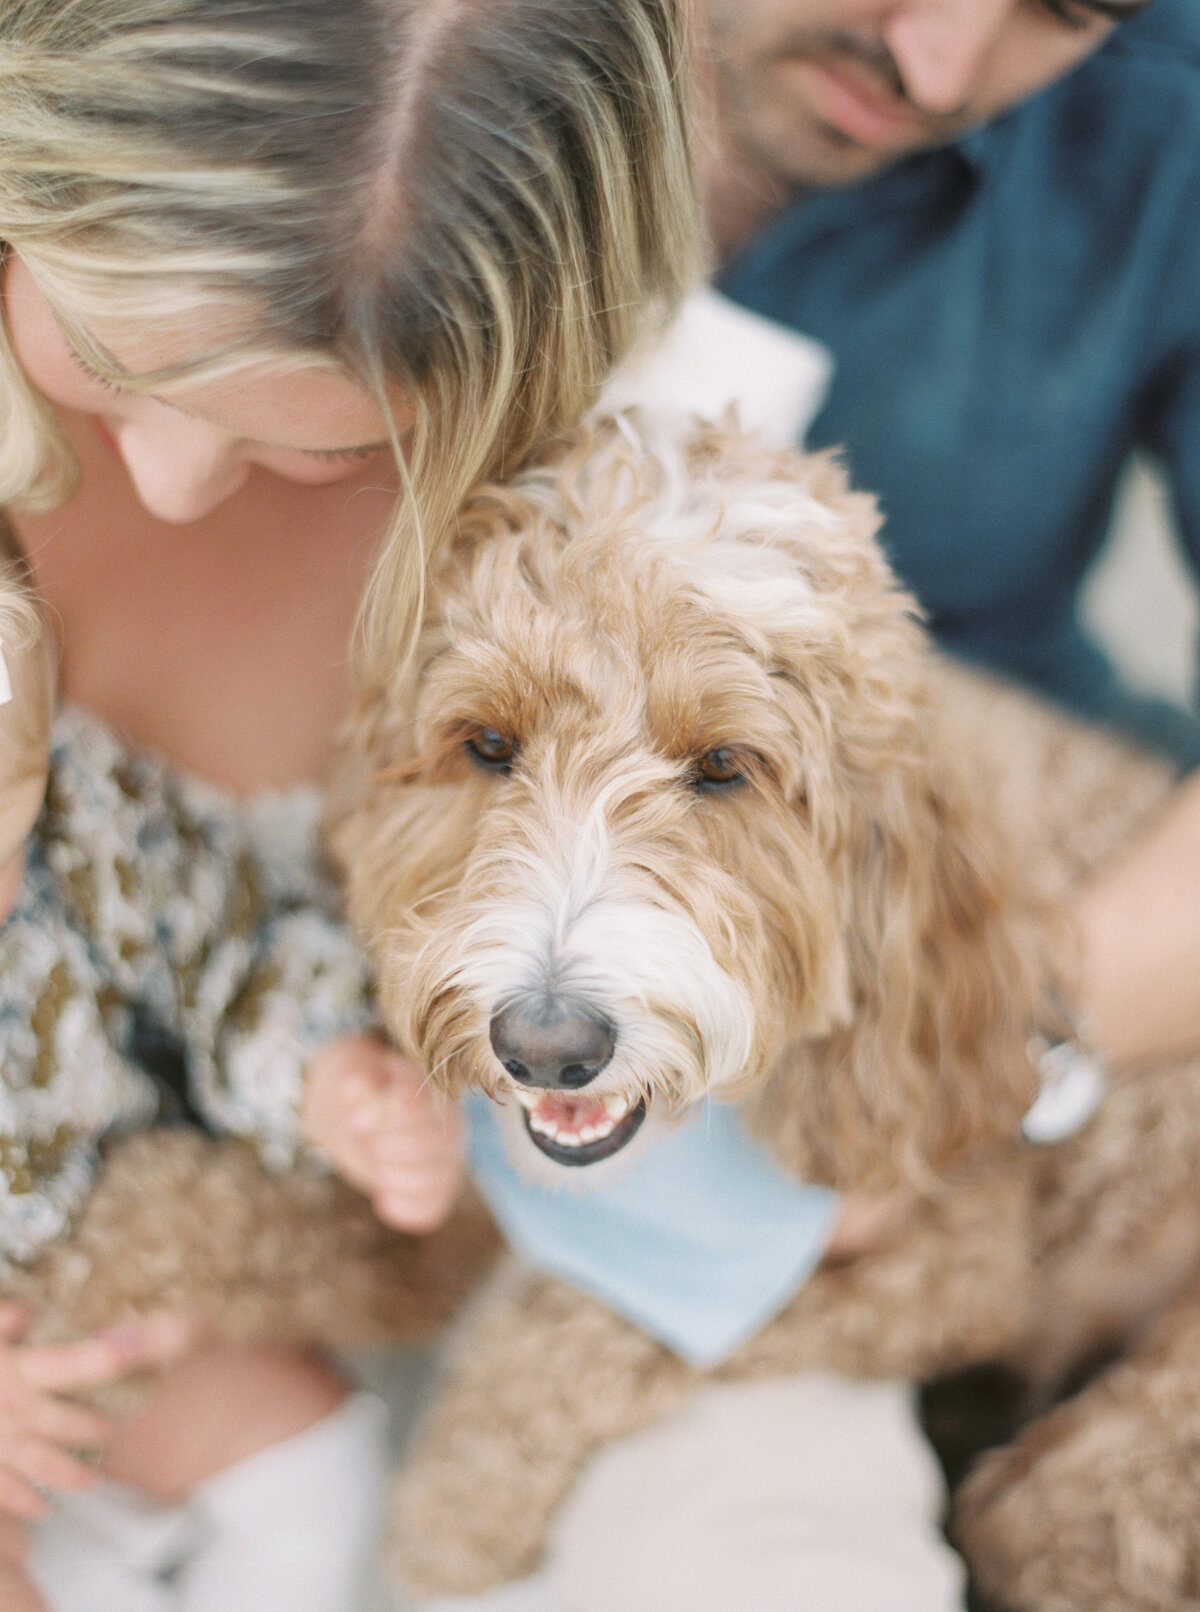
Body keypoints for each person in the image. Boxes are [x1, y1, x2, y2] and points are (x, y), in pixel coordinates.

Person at [0, 1, 698, 1608]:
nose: (169, 480)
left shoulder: (543, 587)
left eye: (326, 450)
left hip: (188, 1343)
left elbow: (253, 977)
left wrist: (330, 1125)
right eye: (110, 359)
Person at [694, 0, 1200, 1075]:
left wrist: (998, 1044)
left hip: (955, 881)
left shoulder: (1169, 109)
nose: (936, 72)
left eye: (1064, 14)